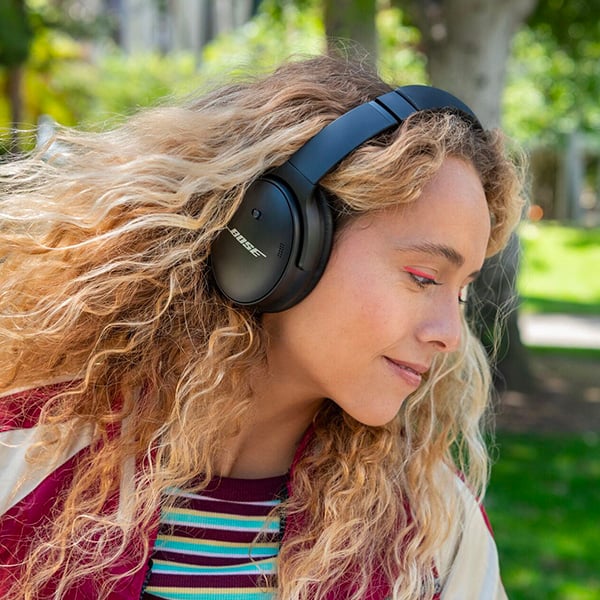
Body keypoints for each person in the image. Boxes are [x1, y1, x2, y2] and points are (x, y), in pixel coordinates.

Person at [0, 55, 524, 600]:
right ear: (277, 239)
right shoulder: (21, 458)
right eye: (422, 276)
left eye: (461, 291)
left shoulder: (435, 538)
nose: (451, 335)